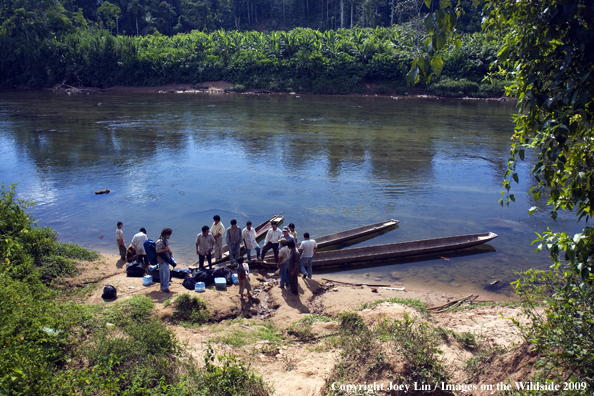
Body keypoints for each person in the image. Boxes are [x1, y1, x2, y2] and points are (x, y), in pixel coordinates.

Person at [156, 227, 174, 293]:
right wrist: (165, 250)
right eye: (168, 234)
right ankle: (166, 287)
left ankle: (163, 283)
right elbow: (157, 250)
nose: (169, 236)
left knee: (162, 272)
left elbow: (167, 247)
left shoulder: (165, 240)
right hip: (162, 260)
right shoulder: (160, 241)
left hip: (165, 259)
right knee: (167, 272)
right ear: (165, 234)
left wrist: (170, 252)